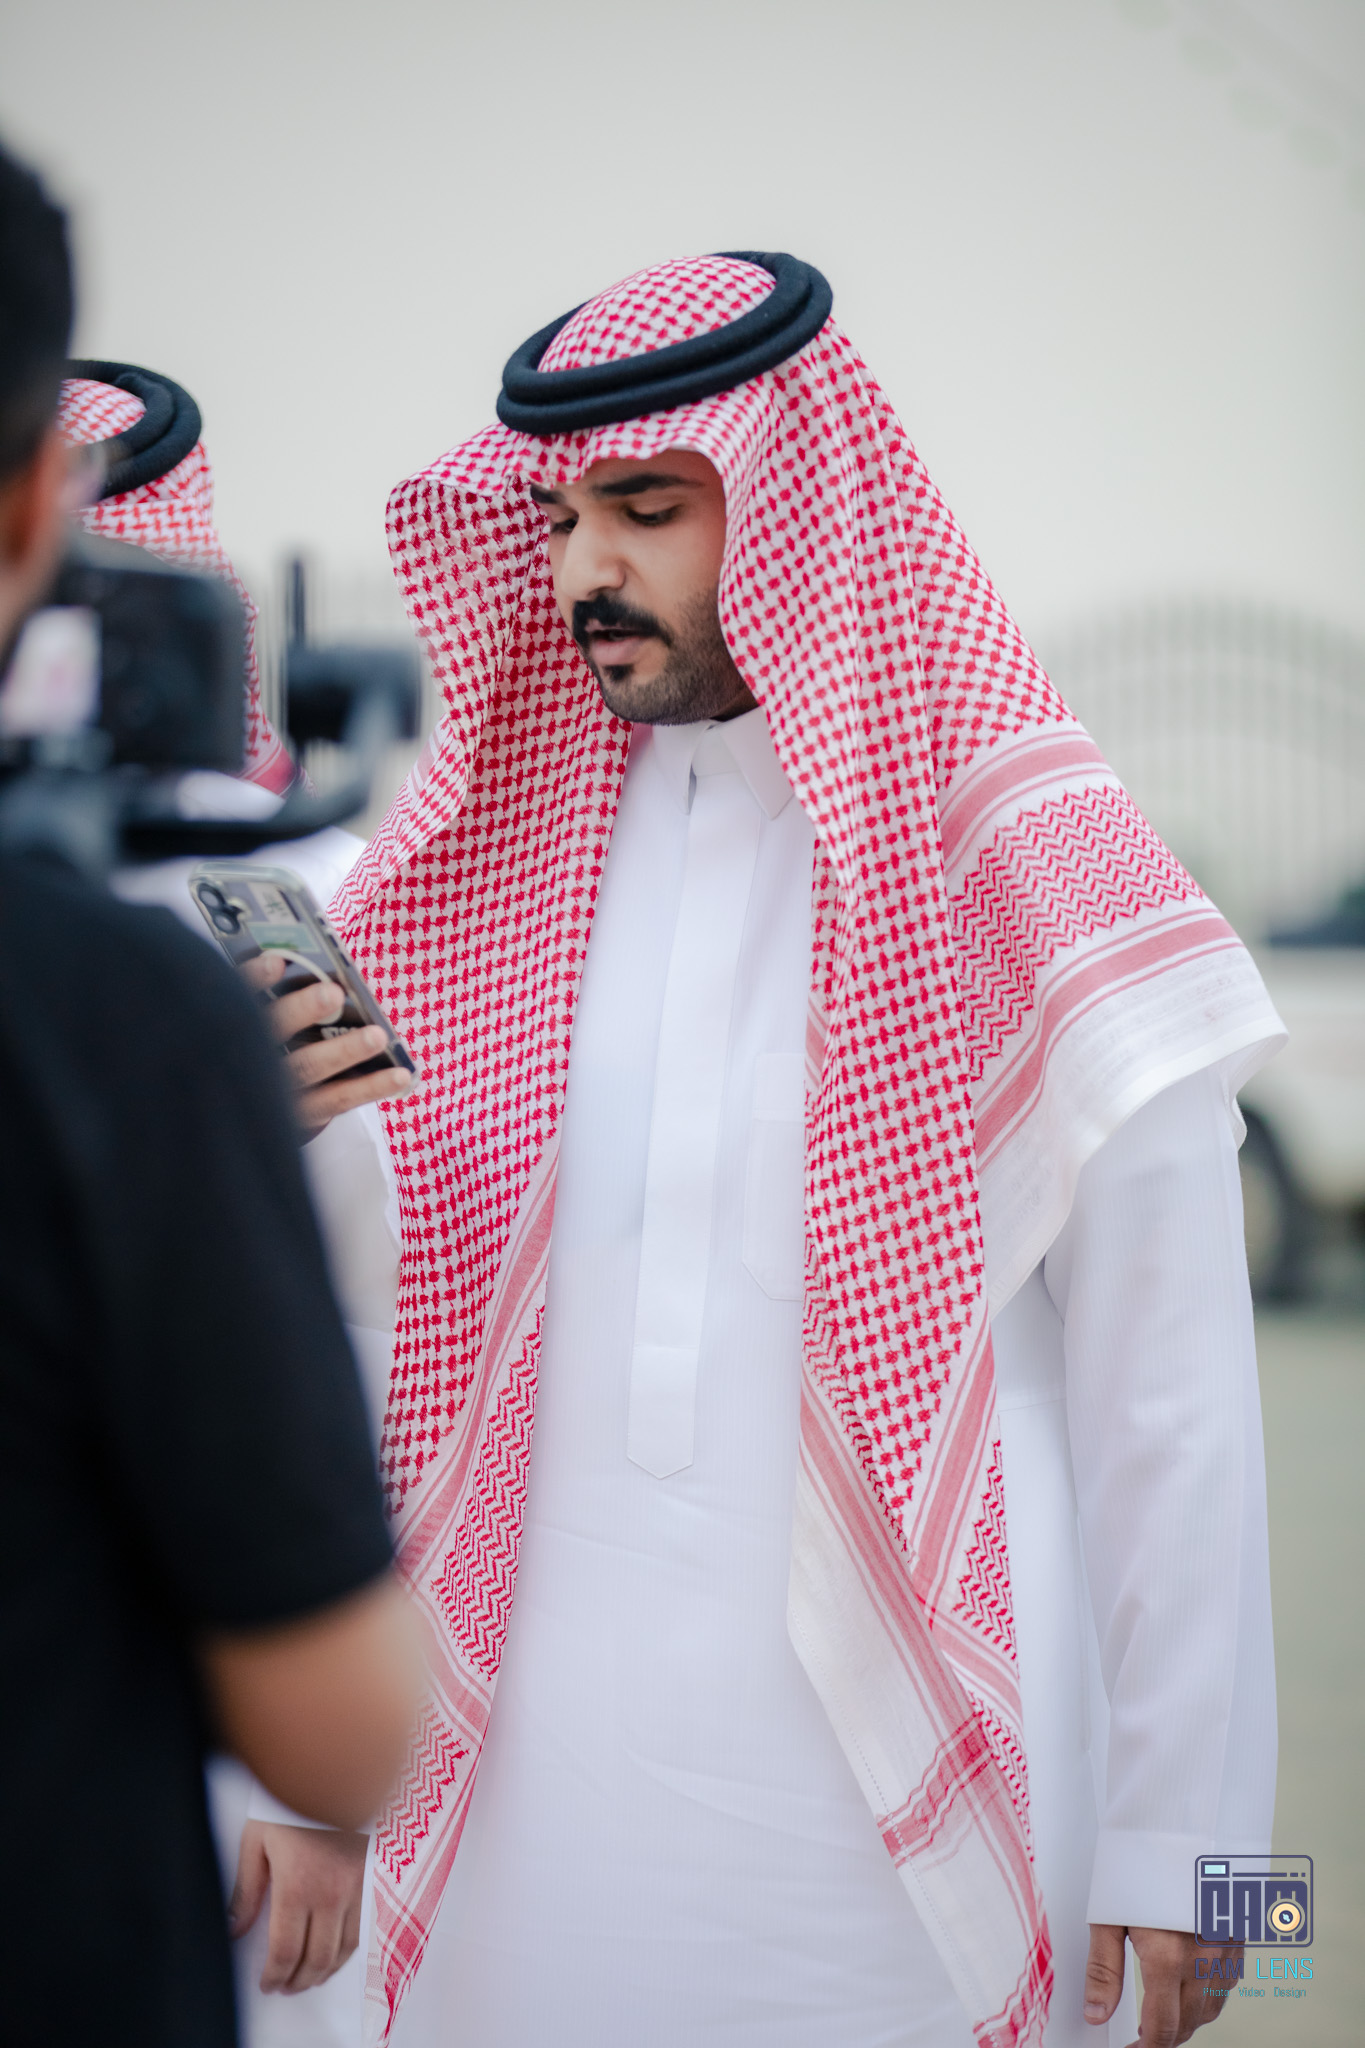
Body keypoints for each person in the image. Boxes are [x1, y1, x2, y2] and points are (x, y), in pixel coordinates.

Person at [314, 255, 1279, 2047]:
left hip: (911, 1813)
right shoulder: (486, 877)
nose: (583, 572)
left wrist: (1209, 1865)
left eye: (646, 508)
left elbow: (1177, 1400)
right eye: (558, 519)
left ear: (798, 512)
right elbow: (381, 1322)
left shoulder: (1027, 871)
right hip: (537, 1801)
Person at [0, 140, 422, 2048]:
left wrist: (304, 1810)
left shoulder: (288, 889)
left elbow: (373, 1311)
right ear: (40, 517)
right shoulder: (127, 1009)